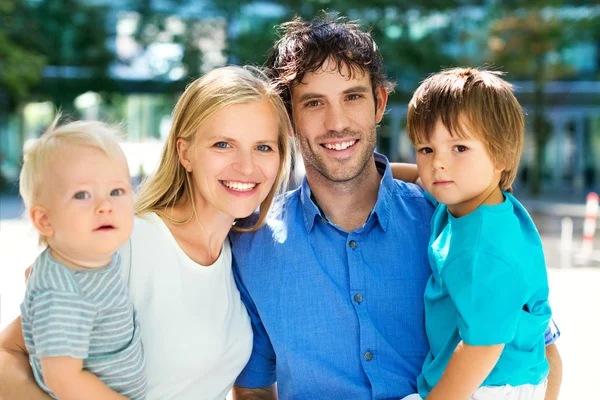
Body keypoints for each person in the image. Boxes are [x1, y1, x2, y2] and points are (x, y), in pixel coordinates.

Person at [230, 14, 562, 400]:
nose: (337, 122)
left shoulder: (454, 220)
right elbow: (252, 388)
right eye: (314, 102)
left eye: (352, 96)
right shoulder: (251, 244)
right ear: (288, 117)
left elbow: (543, 354)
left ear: (379, 103)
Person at [0, 65, 292, 400]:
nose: (247, 166)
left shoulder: (242, 253)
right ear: (185, 153)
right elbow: (8, 357)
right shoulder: (126, 243)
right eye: (223, 144)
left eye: (264, 147)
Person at [396, 68, 551, 399]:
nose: (438, 163)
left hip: (489, 384)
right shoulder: (470, 201)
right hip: (495, 376)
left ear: (500, 155)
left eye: (459, 148)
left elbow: (483, 348)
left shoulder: (482, 248)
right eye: (425, 149)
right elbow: (418, 178)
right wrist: (372, 173)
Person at [18, 119, 147, 400]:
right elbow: (64, 379)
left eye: (116, 191)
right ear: (44, 219)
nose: (105, 206)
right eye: (82, 195)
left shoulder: (92, 256)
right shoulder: (62, 290)